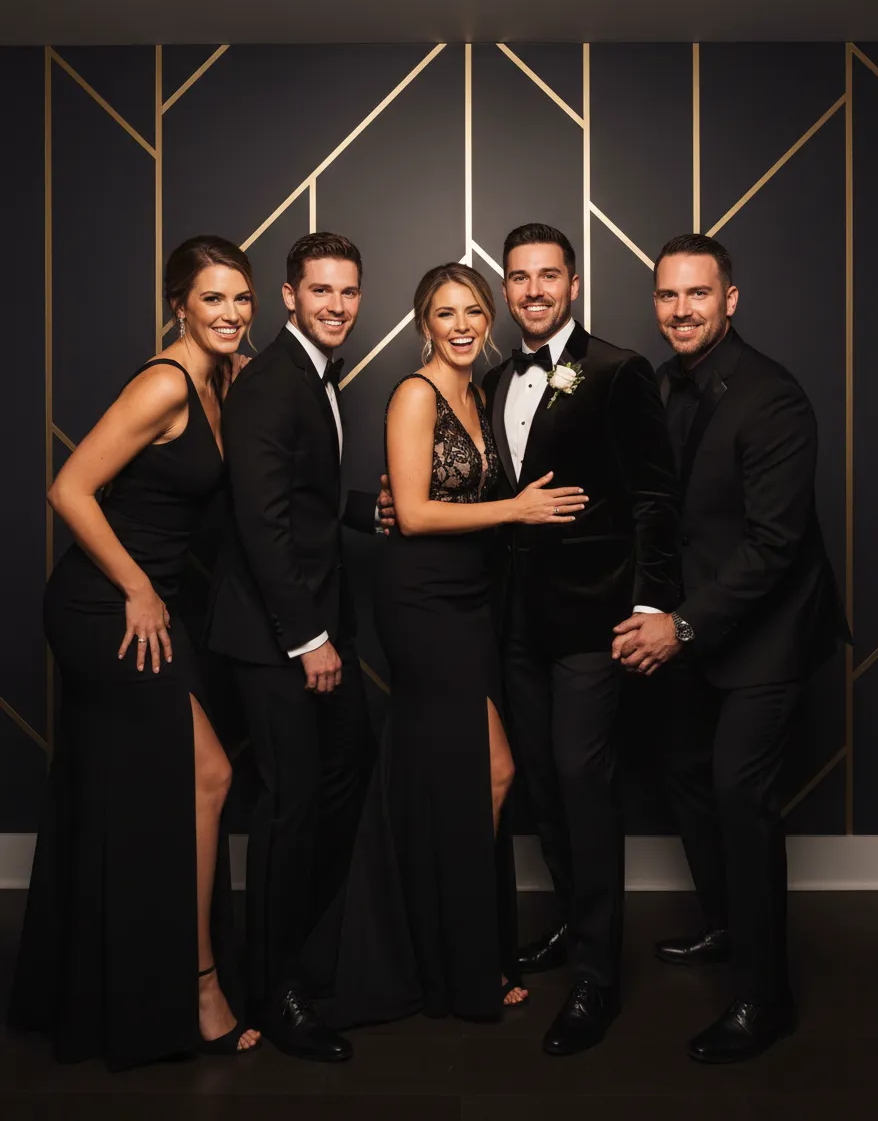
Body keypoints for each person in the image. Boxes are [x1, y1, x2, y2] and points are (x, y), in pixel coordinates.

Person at [308, 261, 588, 1029]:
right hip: (422, 604)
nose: (461, 324)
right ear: (422, 324)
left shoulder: (480, 390)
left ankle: (432, 949)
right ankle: (456, 965)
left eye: (472, 310)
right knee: (488, 772)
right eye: (444, 313)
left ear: (487, 318)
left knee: (446, 780)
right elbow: (421, 515)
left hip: (474, 603)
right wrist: (517, 510)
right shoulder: (414, 394)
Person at [8, 236, 261, 1068]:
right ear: (178, 305)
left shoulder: (222, 379)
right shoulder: (163, 382)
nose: (229, 314)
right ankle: (195, 985)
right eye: (212, 299)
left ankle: (94, 985)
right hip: (106, 605)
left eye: (241, 299)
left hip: (148, 606)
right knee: (210, 775)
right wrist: (139, 590)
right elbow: (69, 488)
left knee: (145, 789)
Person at [612, 233, 850, 1063]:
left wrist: (677, 627)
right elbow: (658, 509)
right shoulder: (664, 387)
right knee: (683, 775)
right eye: (668, 297)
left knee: (738, 794)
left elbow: (773, 547)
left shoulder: (773, 398)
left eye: (698, 296)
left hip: (768, 631)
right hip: (700, 624)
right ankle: (724, 923)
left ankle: (765, 997)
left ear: (731, 300)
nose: (681, 311)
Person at [483, 223, 681, 1056]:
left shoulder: (619, 370)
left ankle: (599, 974)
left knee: (582, 777)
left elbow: (655, 500)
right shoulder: (493, 378)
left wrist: (650, 604)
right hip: (513, 622)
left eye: (547, 276)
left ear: (573, 284)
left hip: (595, 618)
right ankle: (570, 918)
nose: (532, 291)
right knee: (538, 779)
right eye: (519, 278)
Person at [205, 232, 392, 1062]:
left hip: (317, 623)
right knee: (287, 808)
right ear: (289, 295)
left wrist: (366, 509)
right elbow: (261, 521)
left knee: (343, 772)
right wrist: (309, 638)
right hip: (276, 635)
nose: (338, 306)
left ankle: (307, 953)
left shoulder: (313, 374)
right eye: (321, 291)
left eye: (349, 292)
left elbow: (299, 490)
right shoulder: (271, 382)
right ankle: (274, 990)